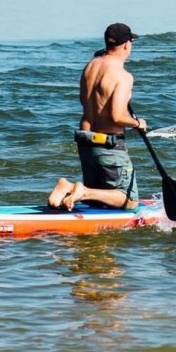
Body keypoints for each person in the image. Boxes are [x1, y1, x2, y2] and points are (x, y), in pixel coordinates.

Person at [48, 23, 146, 211]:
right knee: (129, 200)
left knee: (99, 202)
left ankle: (70, 190)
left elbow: (83, 101)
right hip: (108, 143)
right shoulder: (122, 75)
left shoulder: (90, 66)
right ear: (126, 44)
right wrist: (137, 123)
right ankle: (79, 190)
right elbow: (117, 116)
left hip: (85, 139)